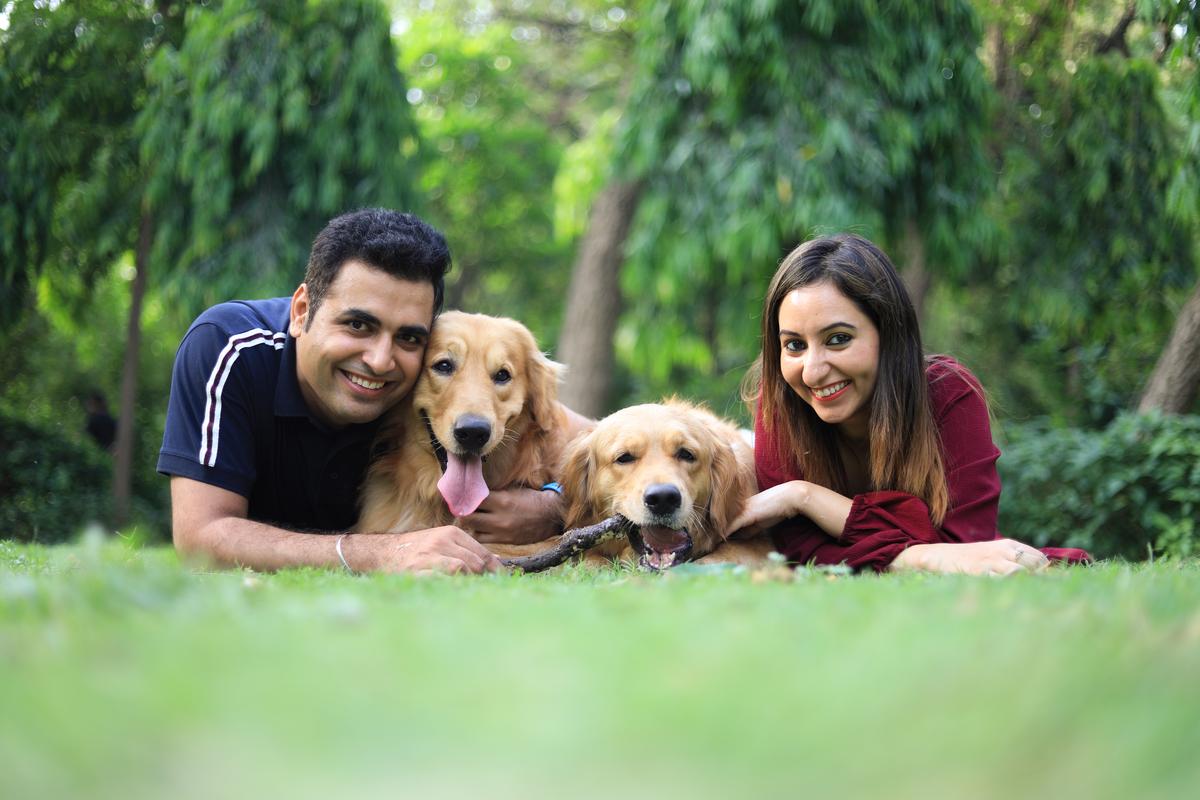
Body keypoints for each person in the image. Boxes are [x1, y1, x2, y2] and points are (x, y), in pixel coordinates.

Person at [157, 208, 577, 575]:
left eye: (409, 337)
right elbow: (200, 538)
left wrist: (552, 505)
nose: (379, 361)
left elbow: (592, 437)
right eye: (358, 325)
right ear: (302, 311)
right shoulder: (230, 347)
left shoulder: (415, 385)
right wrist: (376, 553)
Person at [729, 233, 1091, 575]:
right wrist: (924, 554)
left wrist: (804, 496)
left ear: (888, 335)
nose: (812, 371)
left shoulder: (950, 393)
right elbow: (797, 553)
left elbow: (966, 543)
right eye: (794, 345)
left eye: (838, 339)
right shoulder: (781, 402)